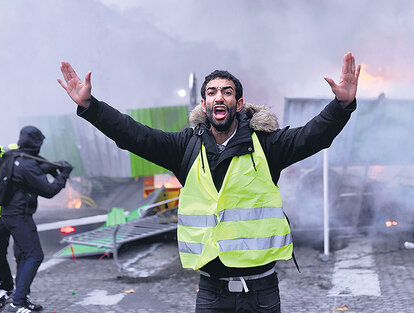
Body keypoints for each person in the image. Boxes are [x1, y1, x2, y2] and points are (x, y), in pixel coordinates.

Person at [58, 53, 360, 313]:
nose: (219, 97)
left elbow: (313, 136)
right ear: (204, 103)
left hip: (262, 292)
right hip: (211, 292)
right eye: (213, 92)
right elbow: (133, 134)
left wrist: (341, 106)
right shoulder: (185, 147)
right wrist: (91, 107)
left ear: (238, 104)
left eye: (227, 92)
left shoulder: (267, 145)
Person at [1, 126, 73, 313]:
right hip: (19, 216)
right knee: (35, 255)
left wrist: (53, 166)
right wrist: (63, 174)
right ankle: (17, 303)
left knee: (23, 255)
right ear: (36, 143)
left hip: (9, 214)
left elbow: (32, 171)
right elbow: (48, 191)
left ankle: (22, 298)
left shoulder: (14, 156)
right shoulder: (27, 164)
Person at [0, 143, 19, 309]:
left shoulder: (8, 153)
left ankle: (23, 294)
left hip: (13, 212)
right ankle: (8, 286)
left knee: (25, 254)